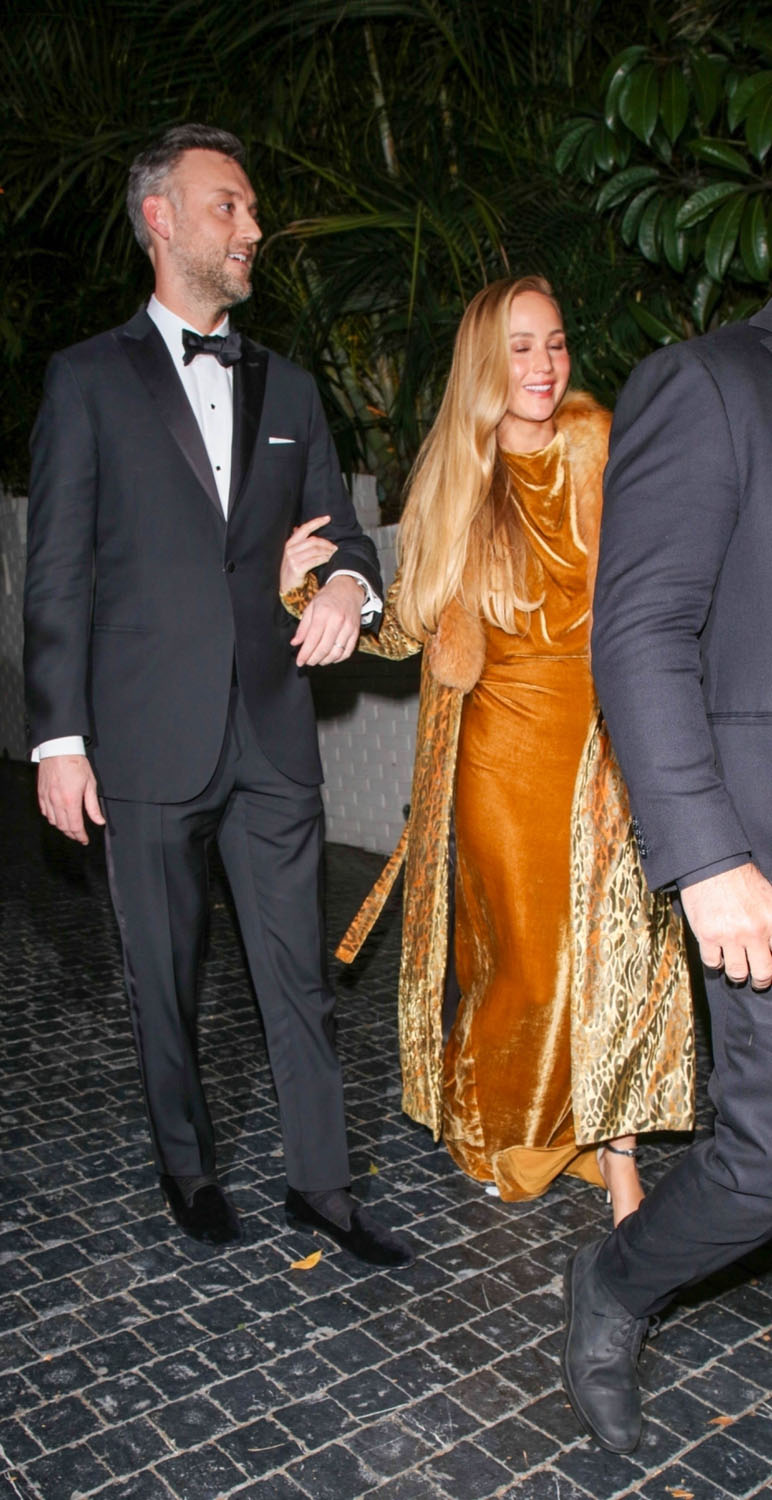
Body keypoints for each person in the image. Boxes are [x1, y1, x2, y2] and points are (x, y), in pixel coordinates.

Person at [23, 122, 413, 1269]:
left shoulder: (289, 384)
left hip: (273, 729)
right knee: (164, 974)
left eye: (250, 208)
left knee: (299, 974)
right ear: (162, 218)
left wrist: (345, 586)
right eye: (228, 207)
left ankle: (324, 1186)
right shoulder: (87, 380)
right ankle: (187, 1168)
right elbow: (58, 571)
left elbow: (347, 537)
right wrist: (58, 738)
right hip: (144, 734)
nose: (253, 227)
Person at [281, 276, 694, 1228]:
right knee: (528, 971)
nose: (545, 365)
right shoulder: (456, 482)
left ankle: (615, 1158)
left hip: (609, 750)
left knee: (620, 958)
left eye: (555, 343)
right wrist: (309, 592)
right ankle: (502, 1122)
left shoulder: (601, 444)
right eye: (521, 347)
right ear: (483, 361)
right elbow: (406, 627)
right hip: (501, 765)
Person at [562, 297, 772, 1453]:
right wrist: (707, 857)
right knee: (763, 1163)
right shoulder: (712, 383)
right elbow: (639, 630)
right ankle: (616, 1278)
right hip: (757, 855)